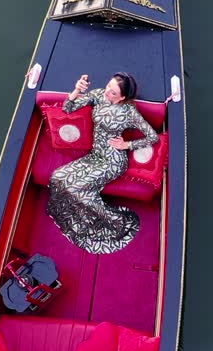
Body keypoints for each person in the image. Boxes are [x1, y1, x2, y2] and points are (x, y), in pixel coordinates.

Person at [47, 73, 159, 254]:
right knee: (58, 177)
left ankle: (117, 222)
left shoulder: (129, 112)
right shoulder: (99, 94)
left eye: (113, 92)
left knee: (78, 190)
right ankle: (80, 216)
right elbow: (68, 108)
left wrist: (127, 144)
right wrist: (77, 90)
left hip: (113, 161)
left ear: (122, 97)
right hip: (95, 155)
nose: (107, 92)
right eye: (108, 87)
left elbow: (152, 137)